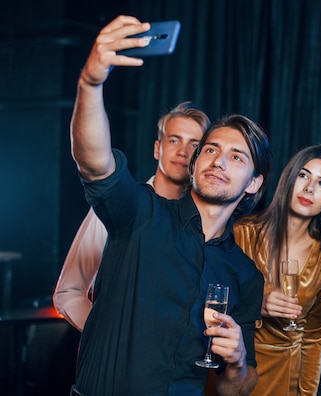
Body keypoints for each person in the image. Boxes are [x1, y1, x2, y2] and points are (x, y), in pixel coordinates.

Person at [68, 15, 272, 395]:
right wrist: (91, 82)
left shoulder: (245, 276)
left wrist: (239, 360)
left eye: (237, 157)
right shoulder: (141, 214)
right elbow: (94, 161)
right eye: (211, 149)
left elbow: (236, 389)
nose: (219, 161)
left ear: (254, 183)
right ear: (195, 165)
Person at [53, 101, 208, 332]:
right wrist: (104, 338)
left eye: (194, 145)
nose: (183, 152)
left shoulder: (205, 221)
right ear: (157, 148)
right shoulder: (119, 205)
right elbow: (68, 292)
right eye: (174, 140)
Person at [233, 145, 321, 396]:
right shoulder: (243, 233)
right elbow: (211, 303)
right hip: (233, 371)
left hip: (285, 379)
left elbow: (314, 339)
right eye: (304, 175)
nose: (310, 189)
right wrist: (257, 305)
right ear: (289, 179)